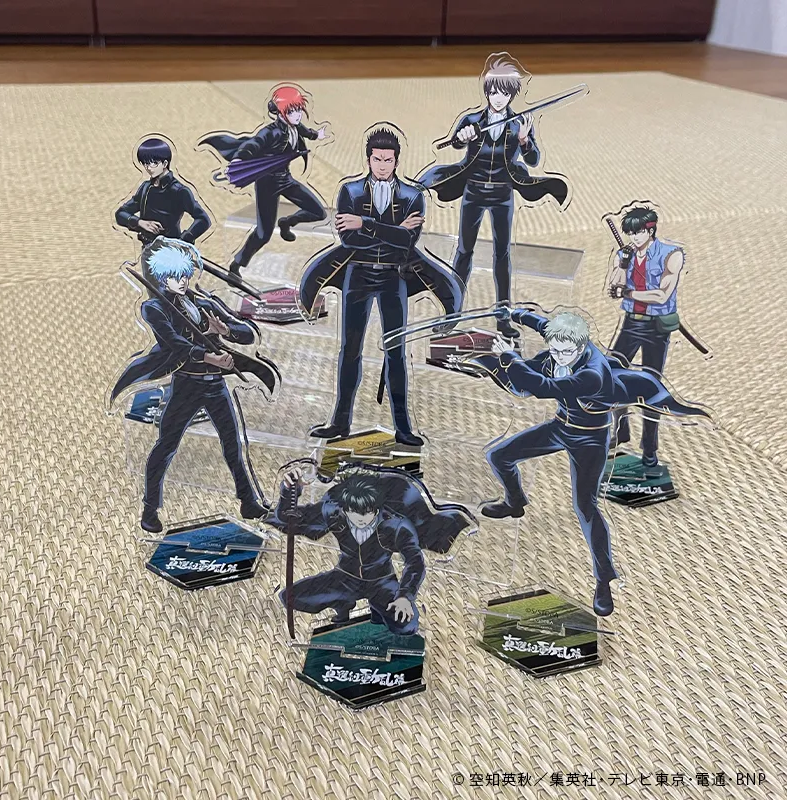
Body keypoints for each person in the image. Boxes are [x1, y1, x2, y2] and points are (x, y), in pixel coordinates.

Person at [474, 309, 709, 615]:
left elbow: (544, 388)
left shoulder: (593, 374)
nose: (558, 357)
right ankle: (515, 502)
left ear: (582, 345)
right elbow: (542, 324)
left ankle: (604, 579)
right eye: (554, 349)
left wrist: (509, 358)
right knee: (498, 455)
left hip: (590, 440)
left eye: (565, 352)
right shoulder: (561, 341)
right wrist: (515, 313)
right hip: (560, 426)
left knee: (585, 507)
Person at [300, 126, 463, 447]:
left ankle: (403, 427)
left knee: (396, 352)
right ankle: (340, 423)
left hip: (394, 277)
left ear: (397, 161)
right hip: (357, 275)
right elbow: (349, 240)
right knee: (350, 350)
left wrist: (366, 224)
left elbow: (407, 242)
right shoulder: (350, 191)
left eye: (388, 160)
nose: (383, 166)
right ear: (368, 159)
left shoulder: (413, 196)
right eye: (377, 159)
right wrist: (393, 230)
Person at [110, 237, 275, 533]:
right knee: (166, 446)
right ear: (162, 277)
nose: (183, 281)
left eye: (185, 274)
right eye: (175, 276)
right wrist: (210, 357)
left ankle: (248, 502)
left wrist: (224, 330)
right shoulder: (154, 308)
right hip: (186, 386)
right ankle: (149, 508)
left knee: (233, 446)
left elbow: (246, 333)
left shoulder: (204, 302)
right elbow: (175, 344)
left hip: (215, 386)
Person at [417, 54, 568, 339]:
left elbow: (534, 160)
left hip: (503, 194)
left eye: (505, 93)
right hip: (473, 191)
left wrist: (524, 140)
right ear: (486, 91)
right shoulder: (472, 120)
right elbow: (455, 142)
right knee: (464, 252)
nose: (499, 98)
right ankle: (453, 313)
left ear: (512, 95)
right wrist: (463, 136)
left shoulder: (519, 122)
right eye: (494, 92)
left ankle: (503, 318)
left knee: (502, 255)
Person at [270, 466, 473, 634]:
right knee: (290, 597)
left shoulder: (396, 525)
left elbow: (415, 562)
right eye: (353, 512)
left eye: (367, 512)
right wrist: (289, 490)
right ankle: (342, 602)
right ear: (345, 507)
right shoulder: (333, 512)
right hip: (344, 577)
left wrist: (405, 596)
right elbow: (289, 519)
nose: (361, 519)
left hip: (381, 582)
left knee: (406, 625)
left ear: (377, 508)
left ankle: (375, 610)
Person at [199, 86, 329, 275]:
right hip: (267, 184)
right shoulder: (271, 132)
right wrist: (239, 160)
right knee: (263, 233)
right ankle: (236, 264)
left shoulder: (295, 126)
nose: (298, 115)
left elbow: (306, 132)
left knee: (318, 212)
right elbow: (253, 144)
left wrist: (318, 135)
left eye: (299, 109)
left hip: (285, 178)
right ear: (281, 112)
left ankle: (287, 222)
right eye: (292, 111)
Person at [607, 207, 685, 471]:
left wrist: (627, 293)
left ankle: (649, 449)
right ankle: (621, 430)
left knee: (652, 387)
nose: (634, 237)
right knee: (609, 373)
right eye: (630, 233)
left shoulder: (671, 255)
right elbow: (614, 286)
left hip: (655, 328)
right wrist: (623, 264)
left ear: (650, 230)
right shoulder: (625, 253)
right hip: (631, 324)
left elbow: (662, 295)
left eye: (638, 232)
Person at [115, 137, 211, 245]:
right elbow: (120, 213)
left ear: (165, 163)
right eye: (145, 163)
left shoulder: (179, 191)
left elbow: (203, 220)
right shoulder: (145, 187)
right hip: (147, 247)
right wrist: (140, 222)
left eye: (154, 163)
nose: (149, 168)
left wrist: (181, 241)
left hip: (170, 249)